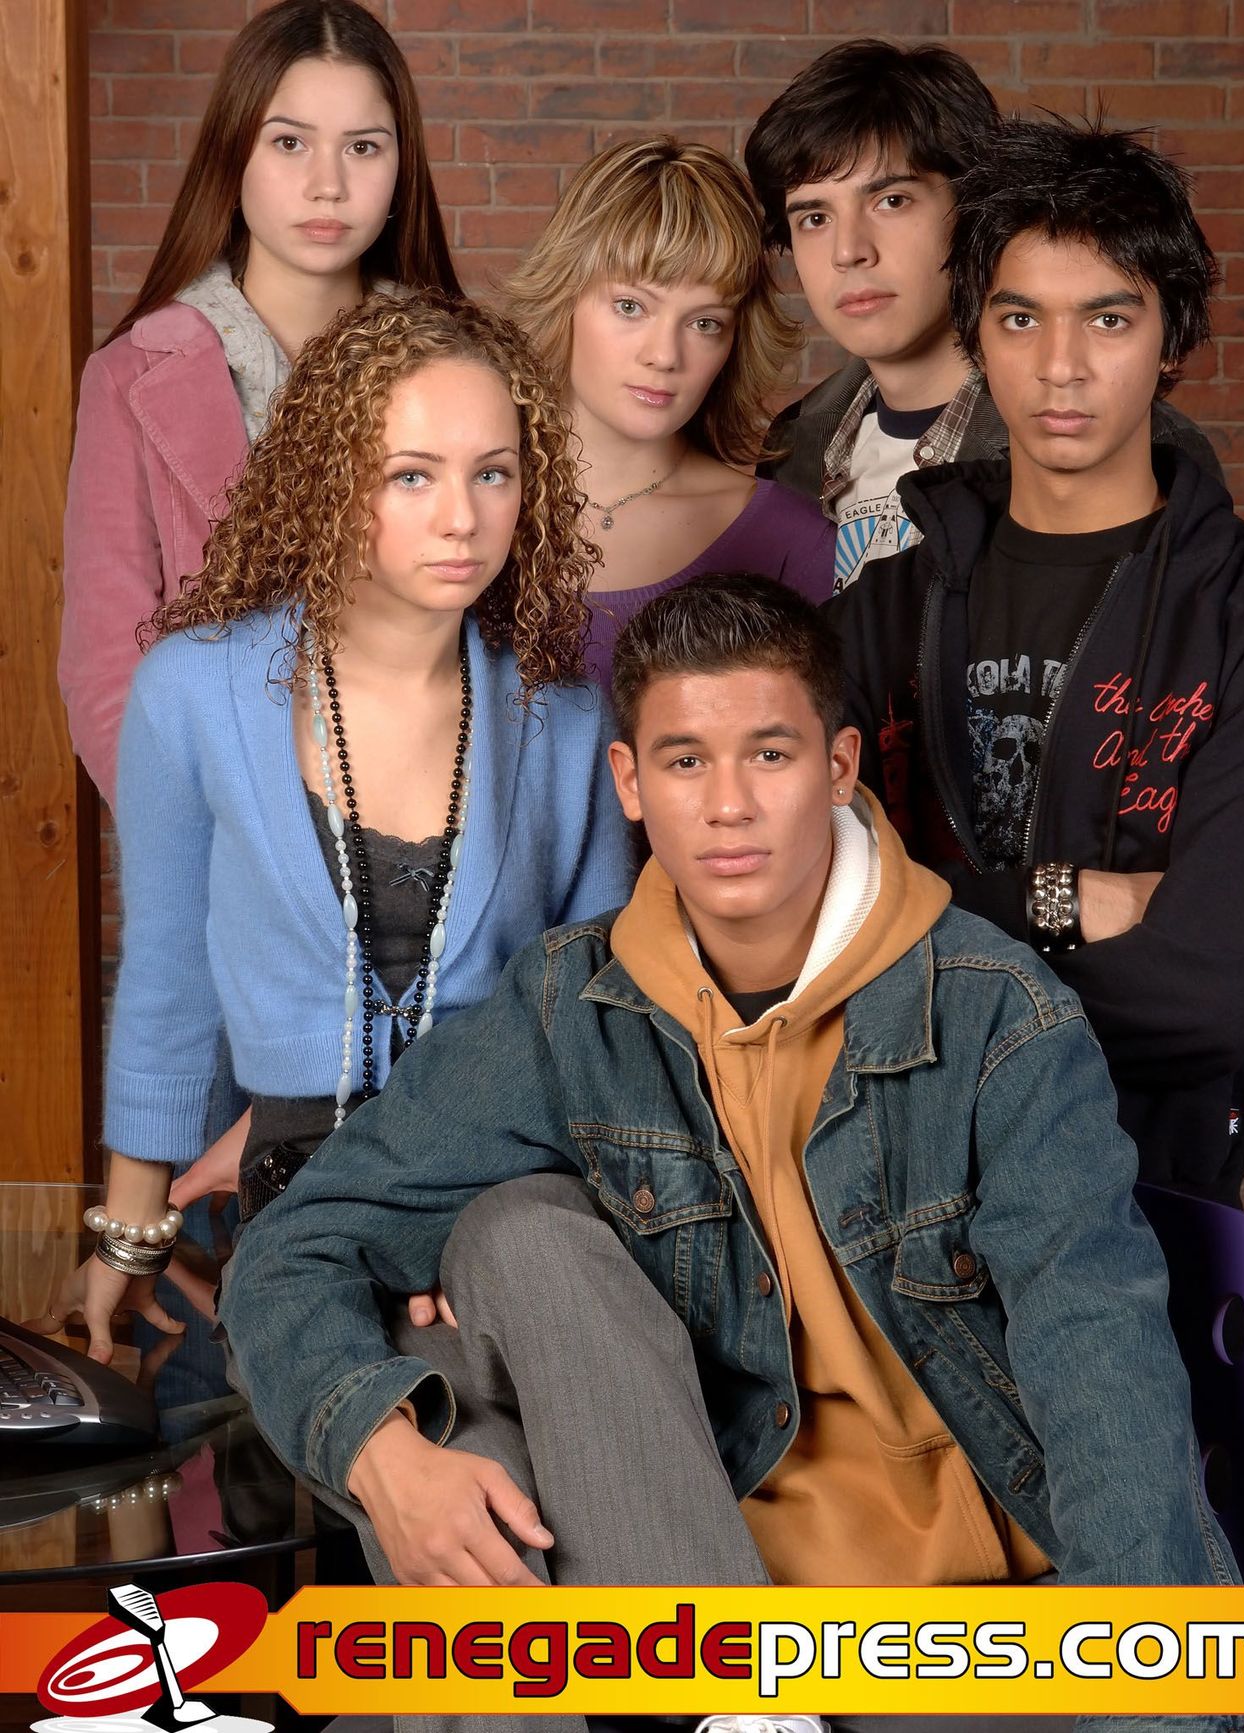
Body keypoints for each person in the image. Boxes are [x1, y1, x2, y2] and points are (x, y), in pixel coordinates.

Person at [220, 574, 1237, 1733]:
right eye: (685, 760)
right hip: (699, 1577)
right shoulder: (571, 1009)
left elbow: (1101, 1369)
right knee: (506, 1252)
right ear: (630, 783)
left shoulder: (997, 1015)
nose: (728, 805)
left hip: (954, 1622)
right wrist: (378, 1451)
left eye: (769, 753)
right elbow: (293, 1249)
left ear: (839, 767)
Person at [32, 293, 631, 1364]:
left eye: (494, 473)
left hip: (503, 1180)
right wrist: (131, 1228)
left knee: (485, 1407)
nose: (463, 517)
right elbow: (170, 970)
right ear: (331, 478)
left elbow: (598, 1016)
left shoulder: (567, 717)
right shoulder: (193, 691)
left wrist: (458, 1198)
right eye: (413, 475)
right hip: (287, 1187)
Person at [826, 118, 1244, 1202]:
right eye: (1020, 317)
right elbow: (786, 907)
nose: (1060, 366)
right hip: (882, 1177)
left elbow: (1211, 994)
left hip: (1143, 1194)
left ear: (1172, 339)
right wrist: (1058, 899)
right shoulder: (878, 612)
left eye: (1108, 318)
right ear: (976, 335)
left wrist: (915, 935)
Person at [59, 0, 461, 805]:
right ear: (231, 154)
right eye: (289, 142)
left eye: (363, 147)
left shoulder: (460, 366)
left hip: (430, 816)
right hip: (220, 830)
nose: (328, 184)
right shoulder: (130, 379)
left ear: (401, 168)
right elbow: (106, 673)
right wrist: (207, 843)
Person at [744, 40, 1220, 592]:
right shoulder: (795, 443)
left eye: (891, 201)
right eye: (815, 217)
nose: (848, 251)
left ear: (973, 207)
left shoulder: (1133, 441)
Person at [504, 136, 835, 687]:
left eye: (705, 323)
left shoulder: (789, 541)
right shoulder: (464, 500)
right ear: (565, 298)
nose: (664, 355)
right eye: (631, 306)